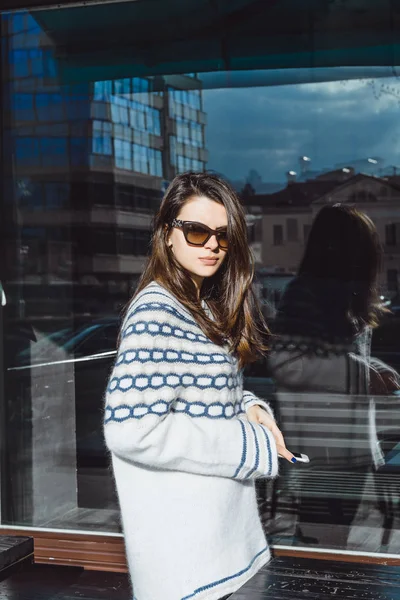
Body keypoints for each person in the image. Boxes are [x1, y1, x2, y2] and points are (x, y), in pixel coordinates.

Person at [103, 172, 296, 600]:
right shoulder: (157, 312)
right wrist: (251, 442)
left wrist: (249, 407)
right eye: (196, 231)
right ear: (167, 234)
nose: (212, 244)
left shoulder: (201, 306)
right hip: (187, 558)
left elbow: (197, 395)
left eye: (223, 236)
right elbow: (131, 430)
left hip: (221, 545)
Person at [267, 203, 400, 546]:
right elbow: (287, 363)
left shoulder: (345, 296)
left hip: (348, 448)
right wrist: (362, 373)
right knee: (322, 543)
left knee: (332, 540)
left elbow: (341, 359)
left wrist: (376, 370)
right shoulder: (305, 293)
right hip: (325, 453)